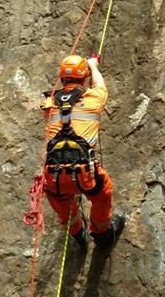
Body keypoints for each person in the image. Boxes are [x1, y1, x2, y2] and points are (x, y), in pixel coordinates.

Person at [40, 54, 124, 249]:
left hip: (53, 176)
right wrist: (93, 66)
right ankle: (102, 234)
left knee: (61, 200)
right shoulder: (93, 99)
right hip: (84, 174)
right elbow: (100, 86)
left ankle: (77, 233)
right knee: (103, 191)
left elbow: (48, 104)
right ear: (84, 78)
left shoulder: (49, 103)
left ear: (62, 79)